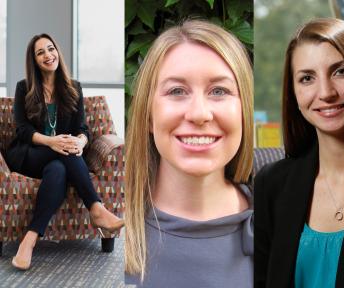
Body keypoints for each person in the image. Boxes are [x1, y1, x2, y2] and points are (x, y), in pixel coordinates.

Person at [254, 18, 344, 288]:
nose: (326, 92)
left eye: (340, 72)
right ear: (293, 93)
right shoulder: (271, 185)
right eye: (307, 78)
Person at [124, 20, 254, 287]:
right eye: (177, 91)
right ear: (148, 115)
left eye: (219, 91)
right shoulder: (116, 233)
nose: (199, 114)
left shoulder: (286, 225)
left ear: (244, 111)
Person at [5, 34, 124, 270]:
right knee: (64, 153)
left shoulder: (73, 88)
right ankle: (96, 209)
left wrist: (80, 142)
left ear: (57, 52)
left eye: (51, 49)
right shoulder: (24, 87)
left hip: (60, 159)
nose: (48, 55)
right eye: (41, 53)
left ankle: (29, 241)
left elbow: (82, 129)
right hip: (30, 155)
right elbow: (22, 130)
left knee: (58, 169)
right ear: (34, 60)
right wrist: (51, 142)